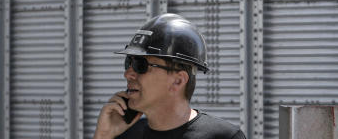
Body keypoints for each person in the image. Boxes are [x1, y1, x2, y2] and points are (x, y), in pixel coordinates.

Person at [92, 13, 246, 139]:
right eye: (128, 63)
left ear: (178, 81)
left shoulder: (224, 137)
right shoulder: (124, 134)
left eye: (140, 65)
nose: (128, 74)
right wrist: (103, 136)